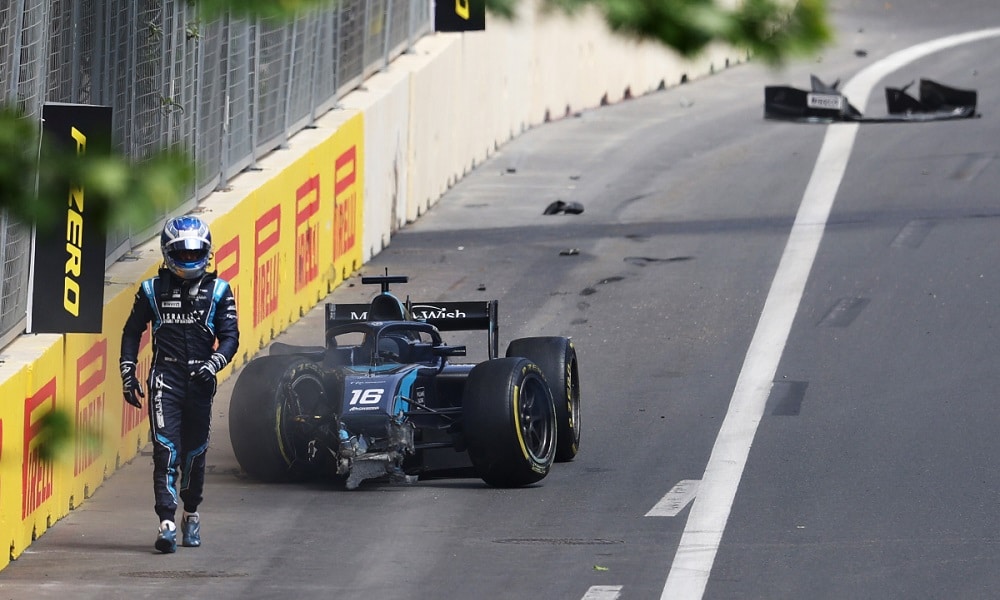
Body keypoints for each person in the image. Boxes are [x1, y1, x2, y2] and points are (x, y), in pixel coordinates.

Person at [120, 215, 239, 554]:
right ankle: (166, 523)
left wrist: (213, 364)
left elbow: (231, 337)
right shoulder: (151, 290)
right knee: (165, 451)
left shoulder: (219, 290)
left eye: (194, 252)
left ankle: (191, 514)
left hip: (200, 382)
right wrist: (127, 372)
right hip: (165, 379)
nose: (188, 258)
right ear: (168, 253)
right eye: (182, 253)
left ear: (206, 252)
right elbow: (131, 332)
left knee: (195, 454)